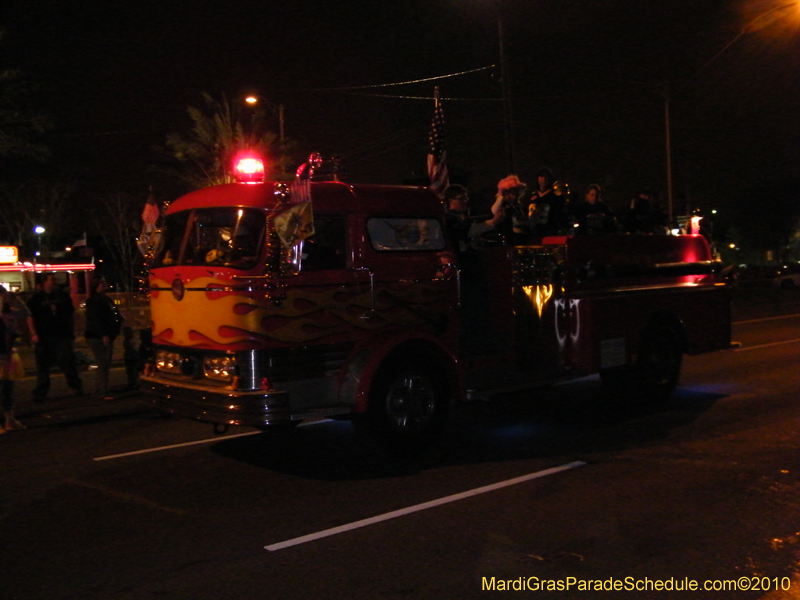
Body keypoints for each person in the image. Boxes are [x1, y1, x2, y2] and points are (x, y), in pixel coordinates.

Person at [27, 274, 84, 402]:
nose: (55, 282)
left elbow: (71, 315)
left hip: (62, 335)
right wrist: (33, 333)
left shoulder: (63, 297)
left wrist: (72, 331)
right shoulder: (36, 299)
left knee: (67, 362)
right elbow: (30, 317)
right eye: (51, 280)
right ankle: (41, 392)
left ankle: (76, 386)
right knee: (42, 366)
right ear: (44, 283)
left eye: (55, 280)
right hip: (43, 336)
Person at [84, 276, 122, 398]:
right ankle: (102, 391)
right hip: (97, 337)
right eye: (101, 283)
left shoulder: (106, 299)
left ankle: (98, 389)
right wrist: (103, 334)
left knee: (104, 363)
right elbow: (95, 319)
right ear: (95, 287)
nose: (104, 285)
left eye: (104, 283)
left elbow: (113, 313)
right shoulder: (93, 301)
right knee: (103, 363)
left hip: (108, 335)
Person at [443, 184, 505, 253]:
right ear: (451, 200)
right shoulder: (448, 219)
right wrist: (492, 222)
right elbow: (467, 231)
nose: (465, 201)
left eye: (466, 198)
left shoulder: (462, 216)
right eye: (461, 198)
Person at [0, 286, 27, 433]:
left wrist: (14, 299)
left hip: (8, 353)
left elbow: (24, 312)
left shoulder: (8, 313)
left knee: (8, 388)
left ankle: (9, 419)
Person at [528, 167, 569, 238]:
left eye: (546, 176)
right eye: (541, 176)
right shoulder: (532, 196)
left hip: (550, 232)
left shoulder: (556, 196)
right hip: (534, 233)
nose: (543, 179)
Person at [493, 175, 528, 245]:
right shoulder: (502, 207)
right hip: (508, 242)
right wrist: (501, 197)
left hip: (522, 240)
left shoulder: (520, 207)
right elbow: (493, 211)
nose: (514, 195)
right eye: (511, 192)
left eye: (515, 191)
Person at [121, 326, 139, 390]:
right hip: (132, 357)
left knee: (130, 372)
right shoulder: (130, 340)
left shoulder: (126, 340)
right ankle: (133, 384)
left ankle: (131, 384)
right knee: (133, 371)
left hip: (128, 356)